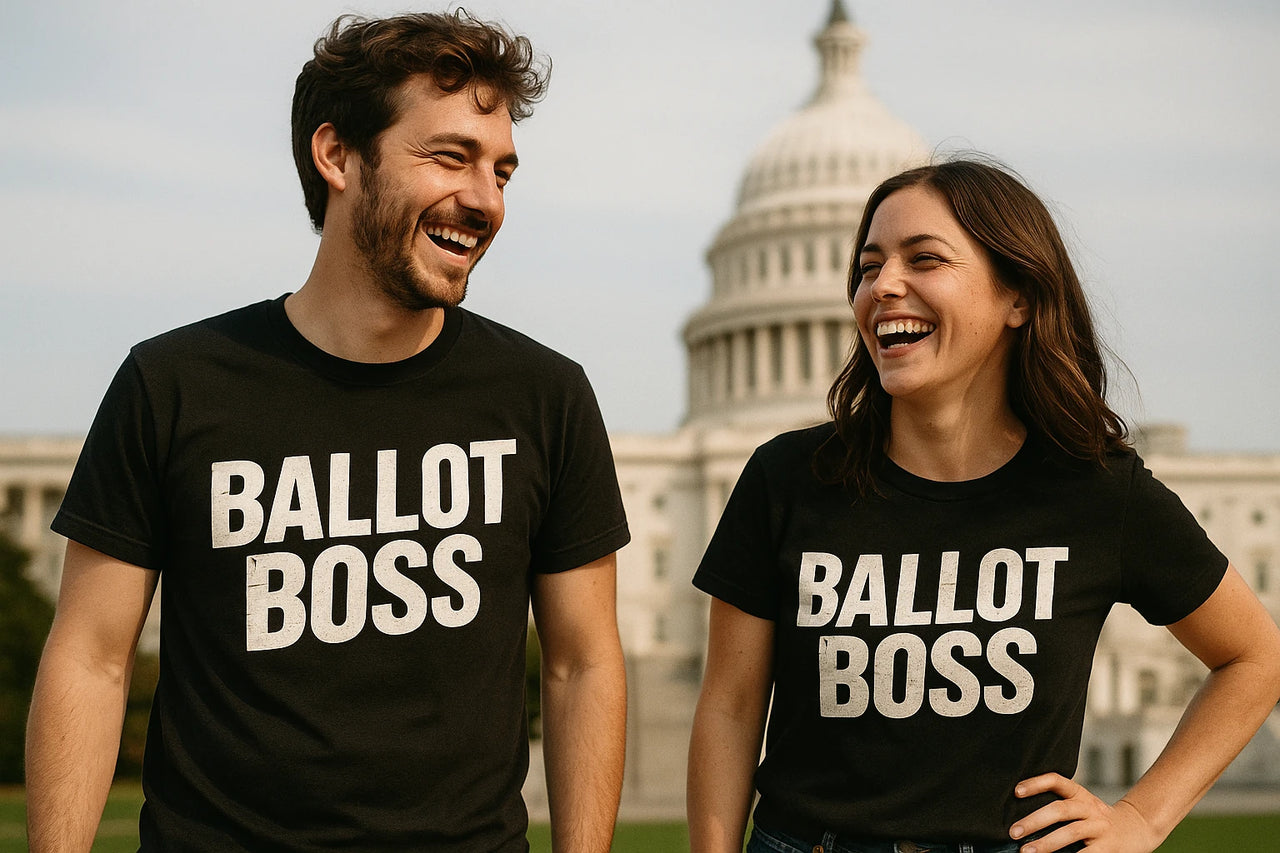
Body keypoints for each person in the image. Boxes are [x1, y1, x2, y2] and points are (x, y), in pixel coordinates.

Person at [26, 10, 629, 852]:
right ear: (337, 154)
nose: (486, 201)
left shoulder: (546, 396)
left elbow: (581, 664)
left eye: (502, 171)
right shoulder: (171, 385)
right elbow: (89, 658)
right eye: (450, 157)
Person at [686, 157, 1280, 853]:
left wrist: (1143, 817)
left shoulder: (1094, 489)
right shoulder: (786, 477)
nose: (884, 286)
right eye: (869, 266)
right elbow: (728, 706)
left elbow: (1255, 655)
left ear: (1018, 298)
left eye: (924, 259)